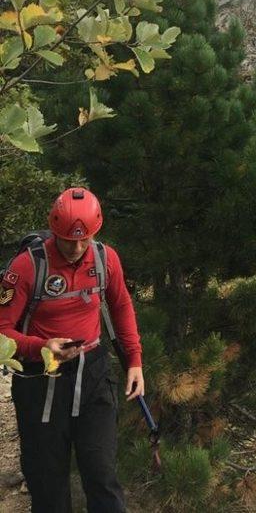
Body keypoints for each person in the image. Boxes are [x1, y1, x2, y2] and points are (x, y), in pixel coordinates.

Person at [0, 187, 143, 513]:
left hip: (92, 373)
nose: (77, 247)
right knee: (47, 482)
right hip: (41, 379)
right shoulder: (26, 268)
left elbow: (121, 306)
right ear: (53, 229)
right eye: (68, 239)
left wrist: (134, 360)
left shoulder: (106, 258)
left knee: (102, 473)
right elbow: (2, 329)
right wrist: (41, 347)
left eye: (85, 238)